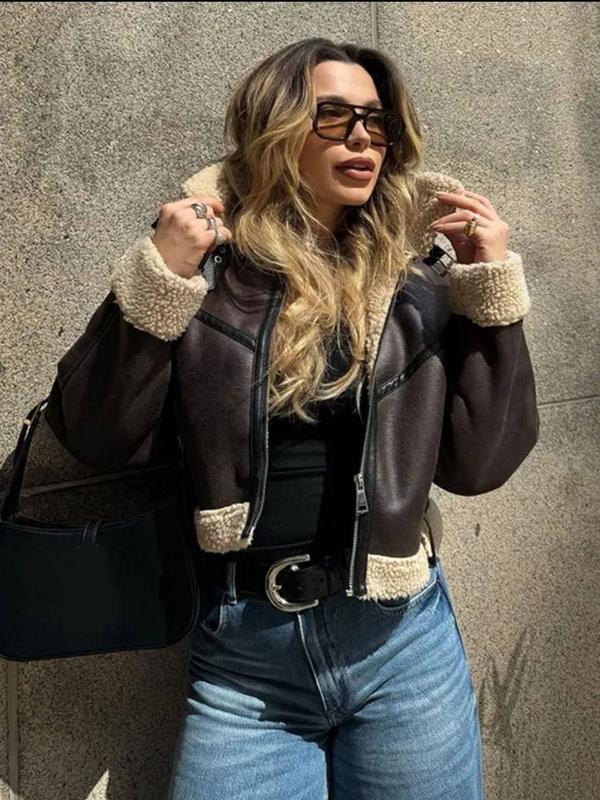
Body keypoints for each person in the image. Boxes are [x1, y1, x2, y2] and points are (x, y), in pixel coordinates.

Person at [44, 37, 539, 800]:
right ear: (276, 128)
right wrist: (160, 276)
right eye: (333, 116)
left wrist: (489, 291)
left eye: (376, 121)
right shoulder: (209, 267)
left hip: (403, 645)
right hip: (244, 658)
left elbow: (480, 465)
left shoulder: (416, 280)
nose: (362, 137)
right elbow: (97, 436)